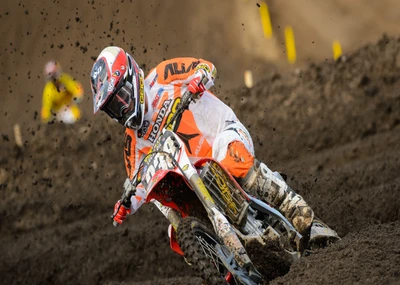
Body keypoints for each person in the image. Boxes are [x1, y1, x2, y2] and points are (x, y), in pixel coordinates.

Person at [90, 46, 317, 241]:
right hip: (197, 183)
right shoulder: (132, 142)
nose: (122, 108)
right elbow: (139, 185)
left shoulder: (162, 76)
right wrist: (126, 205)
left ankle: (292, 205)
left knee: (230, 159)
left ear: (133, 77)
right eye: (113, 107)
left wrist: (199, 80)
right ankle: (217, 264)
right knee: (177, 226)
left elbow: (206, 67)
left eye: (123, 96)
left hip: (224, 135)